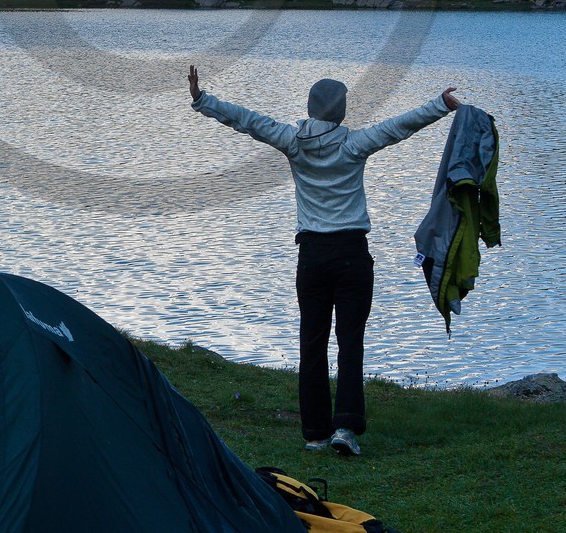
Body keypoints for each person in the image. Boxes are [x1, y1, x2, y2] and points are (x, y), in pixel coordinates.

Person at [187, 65, 460, 457]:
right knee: (350, 342)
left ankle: (315, 432)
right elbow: (401, 126)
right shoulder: (355, 143)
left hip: (312, 256)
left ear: (311, 108)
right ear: (342, 112)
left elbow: (247, 121)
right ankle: (345, 429)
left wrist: (202, 100)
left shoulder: (292, 140)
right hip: (351, 255)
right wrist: (441, 104)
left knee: (312, 342)